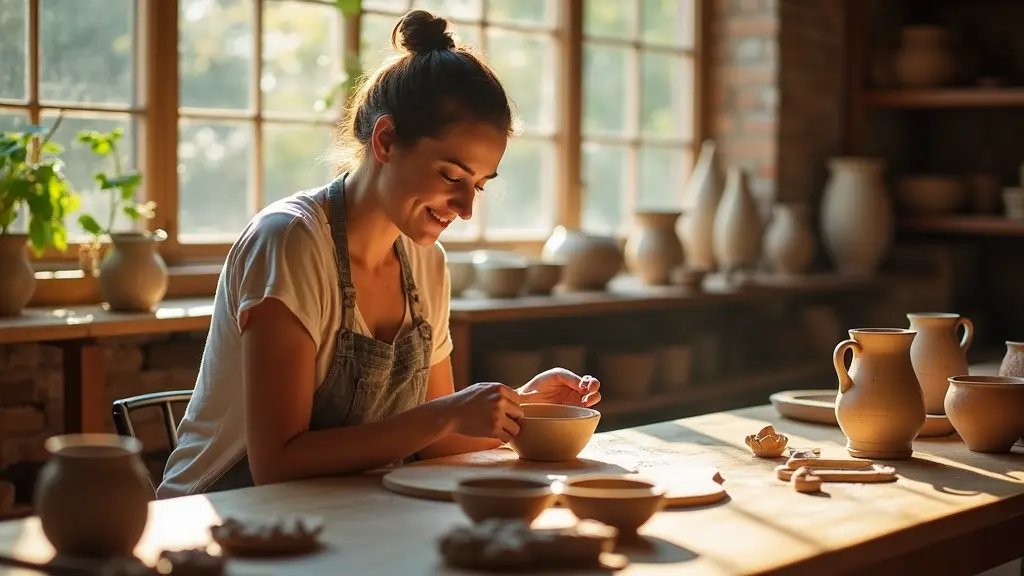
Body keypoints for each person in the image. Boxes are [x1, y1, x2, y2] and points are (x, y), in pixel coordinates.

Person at [156, 10, 601, 499]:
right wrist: (446, 412)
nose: (466, 208)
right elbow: (276, 465)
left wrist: (521, 409)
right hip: (221, 515)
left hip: (336, 510)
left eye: (478, 184)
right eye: (452, 177)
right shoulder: (291, 242)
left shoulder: (425, 261)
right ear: (385, 141)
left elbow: (438, 443)